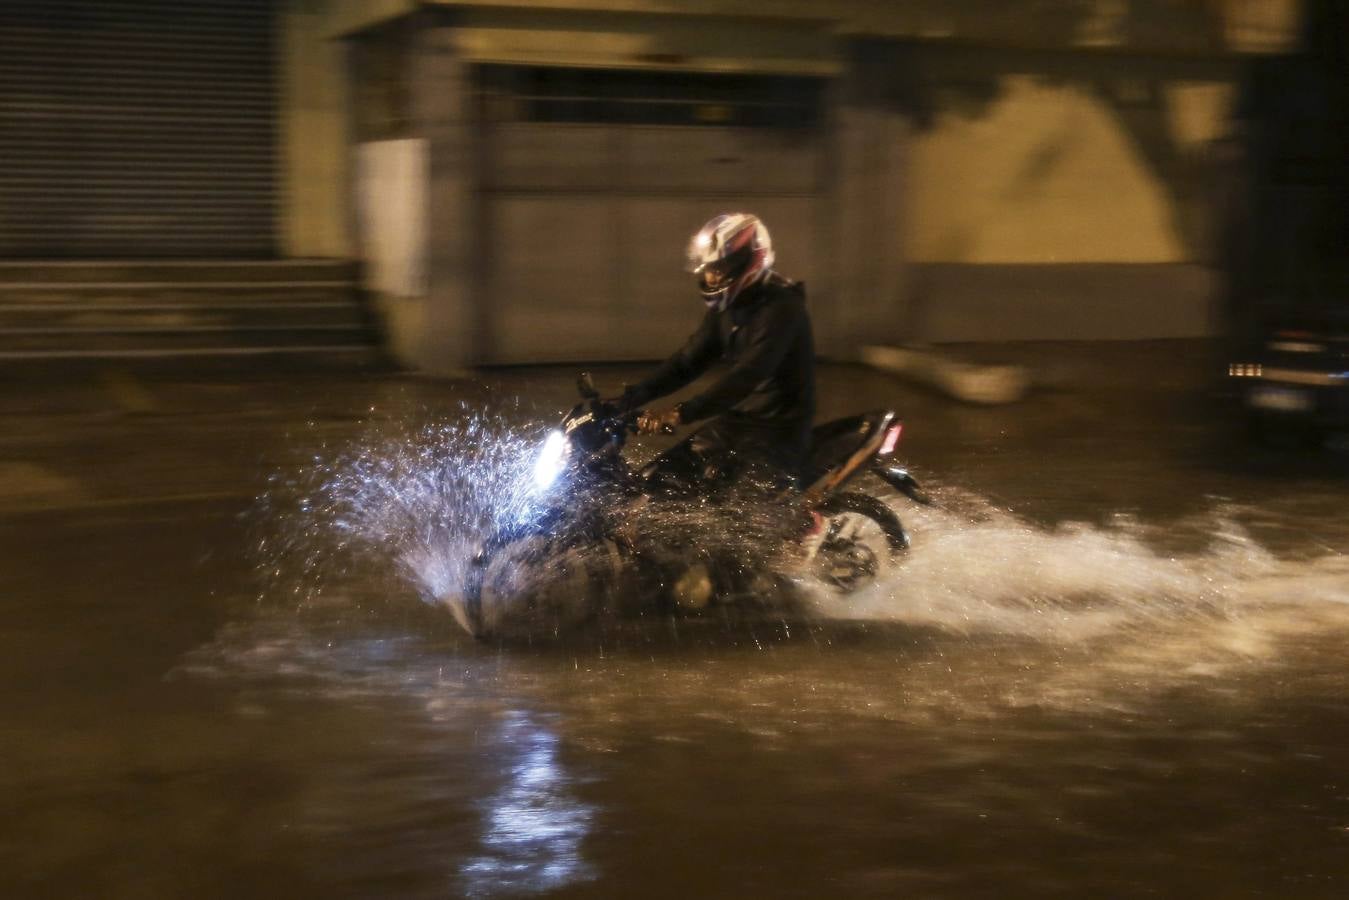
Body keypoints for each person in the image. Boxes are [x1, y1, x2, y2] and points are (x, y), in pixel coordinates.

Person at [614, 213, 816, 490]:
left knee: (733, 515)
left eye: (718, 268)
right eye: (708, 269)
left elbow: (747, 375)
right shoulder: (726, 310)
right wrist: (628, 399)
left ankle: (802, 530)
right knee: (656, 482)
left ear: (747, 261)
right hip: (739, 422)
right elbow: (687, 362)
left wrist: (679, 413)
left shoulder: (781, 308)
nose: (711, 276)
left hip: (779, 430)